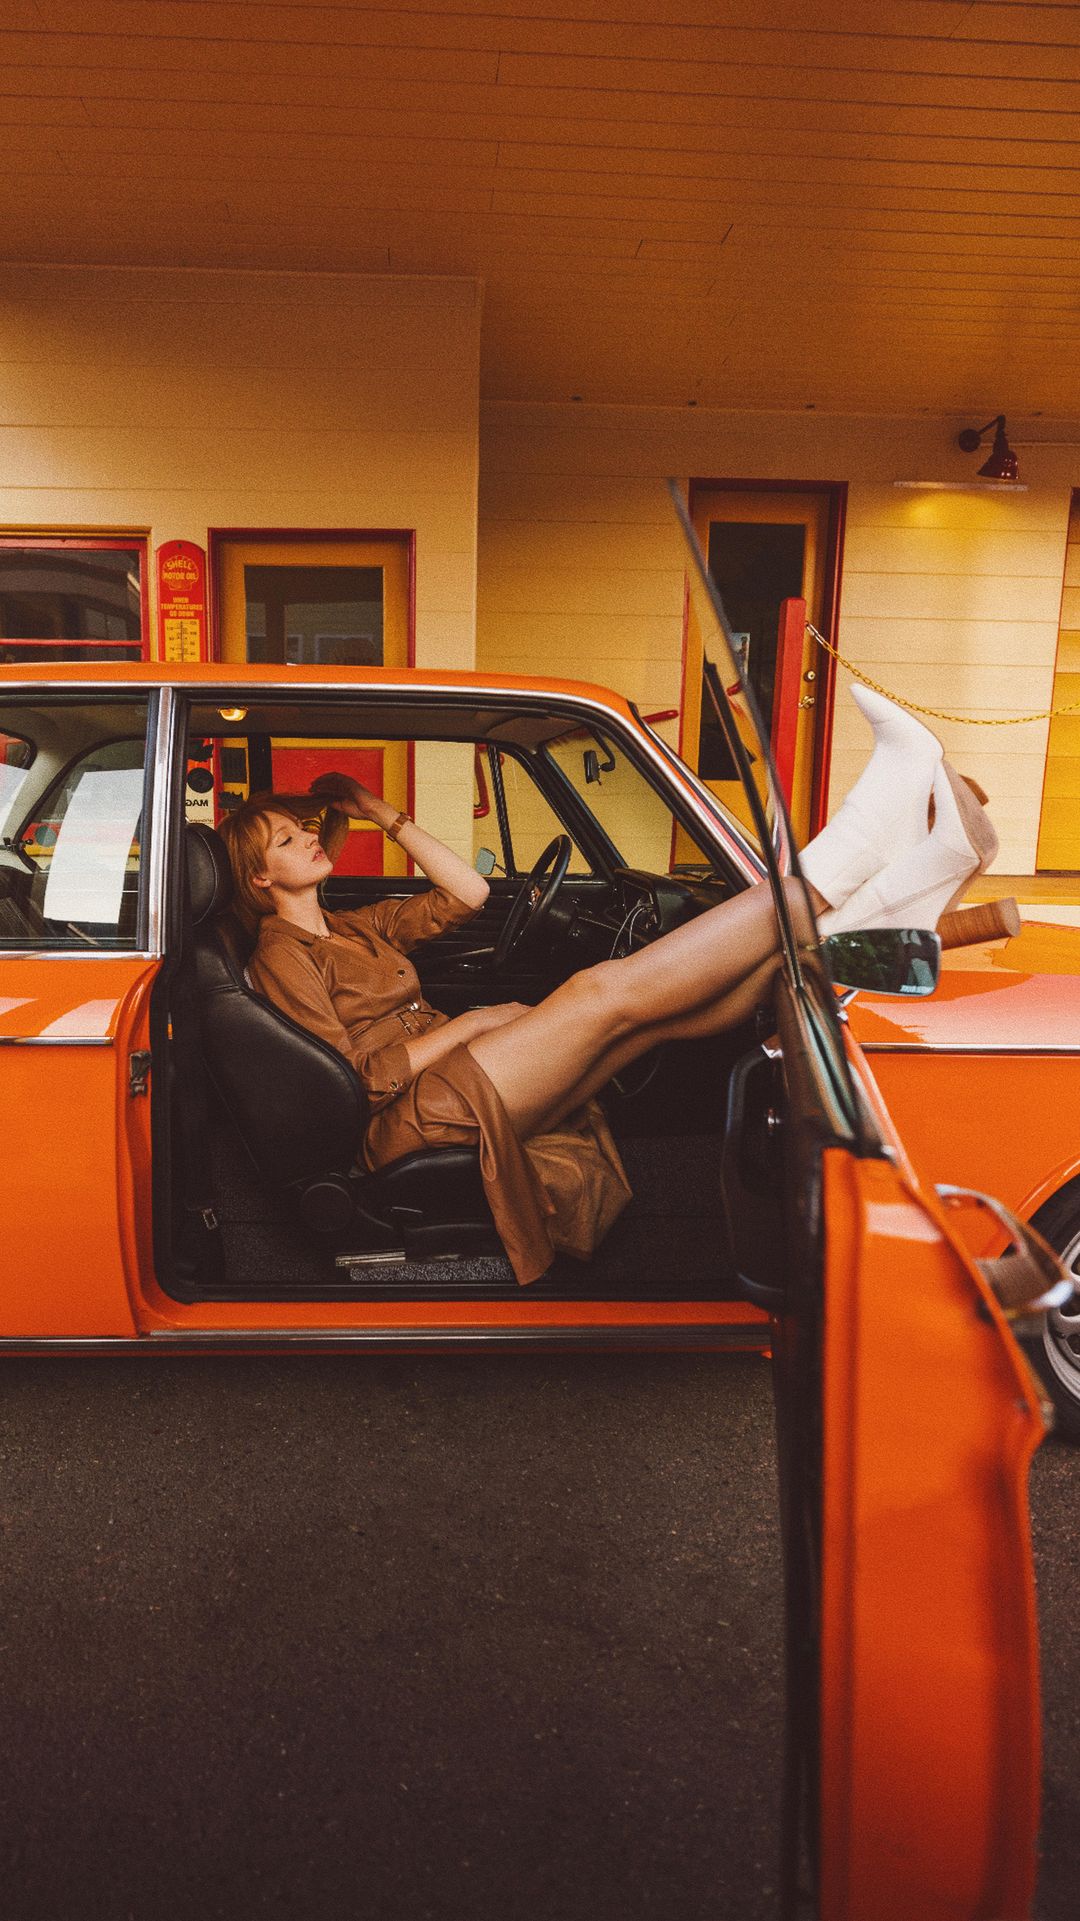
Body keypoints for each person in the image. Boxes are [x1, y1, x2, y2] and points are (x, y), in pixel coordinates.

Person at [217, 689, 995, 1286]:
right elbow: (348, 1084)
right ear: (259, 878)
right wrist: (470, 1024)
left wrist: (378, 812)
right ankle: (860, 849)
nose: (309, 836)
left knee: (643, 1024)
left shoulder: (352, 925)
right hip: (410, 1117)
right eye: (286, 837)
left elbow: (469, 894)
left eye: (306, 825)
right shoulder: (280, 954)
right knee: (601, 993)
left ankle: (904, 890)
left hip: (450, 1078)